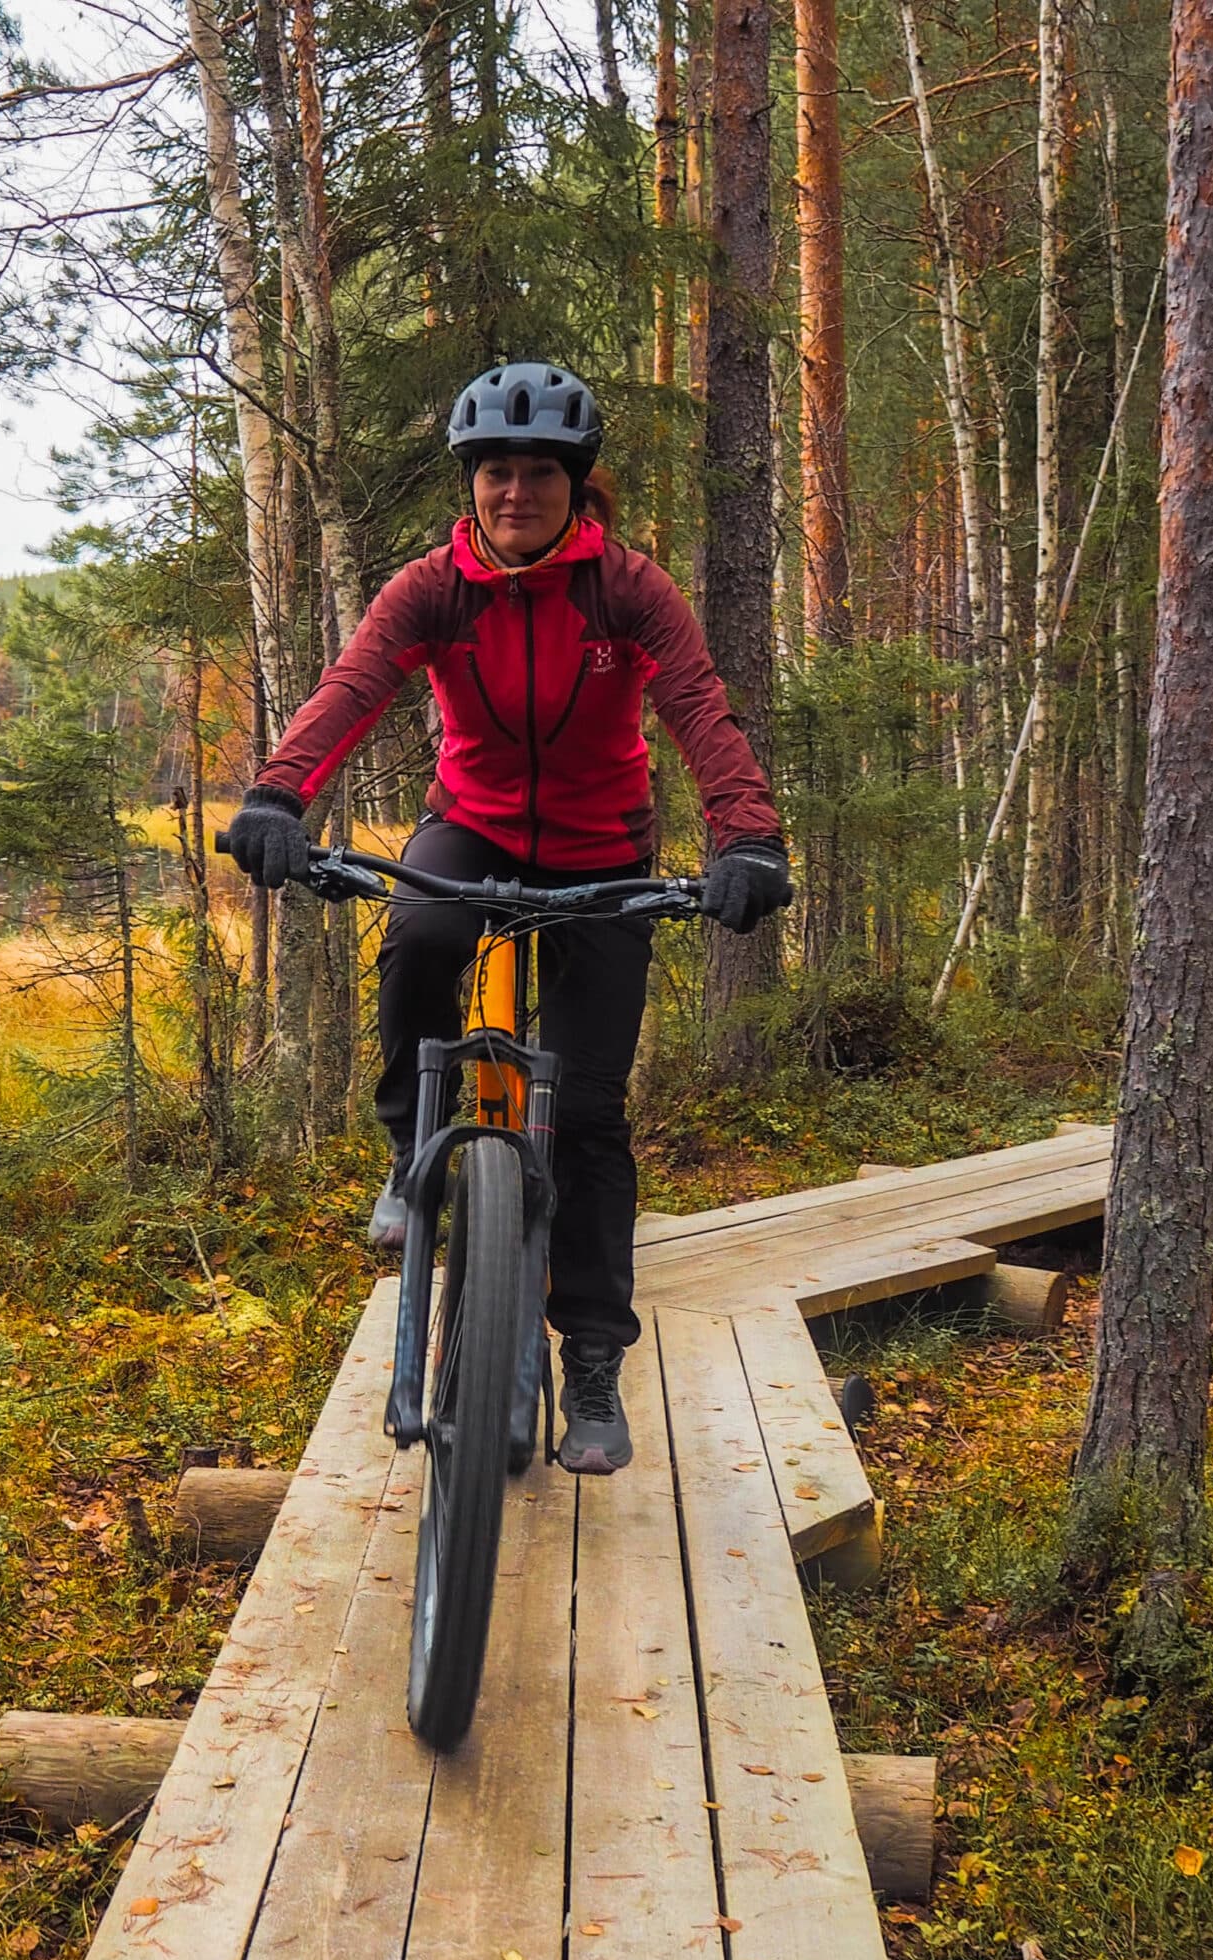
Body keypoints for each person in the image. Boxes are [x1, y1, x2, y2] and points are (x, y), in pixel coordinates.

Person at [221, 360, 789, 1477]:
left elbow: (697, 705)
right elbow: (355, 684)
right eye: (495, 472)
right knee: (422, 936)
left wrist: (747, 835)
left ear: (577, 484)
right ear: (471, 482)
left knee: (583, 1111)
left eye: (538, 472)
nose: (515, 492)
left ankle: (588, 1361)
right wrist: (279, 794)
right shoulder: (434, 588)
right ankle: (406, 1144)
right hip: (472, 823)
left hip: (601, 846)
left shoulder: (627, 589)